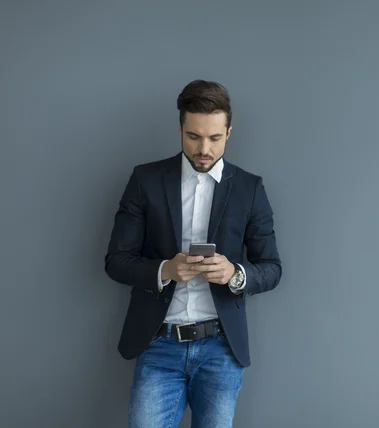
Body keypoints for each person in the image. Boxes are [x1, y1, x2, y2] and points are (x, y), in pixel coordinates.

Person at [104, 79, 282, 428]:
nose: (204, 148)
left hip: (221, 347)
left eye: (214, 138)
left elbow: (272, 267)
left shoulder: (250, 188)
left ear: (229, 132)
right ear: (180, 129)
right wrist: (166, 270)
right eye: (193, 136)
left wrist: (235, 274)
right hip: (159, 345)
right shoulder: (145, 180)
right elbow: (116, 260)